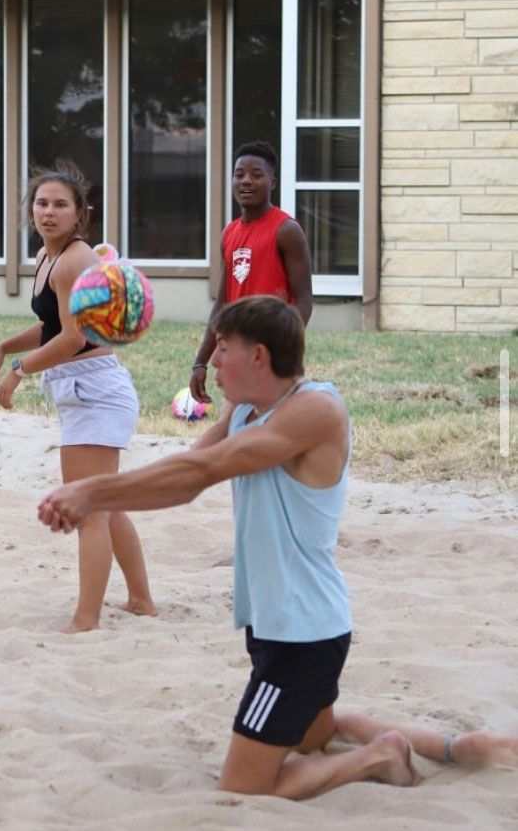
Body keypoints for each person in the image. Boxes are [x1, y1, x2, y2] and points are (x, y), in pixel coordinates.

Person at [39, 295, 515, 800]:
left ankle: (380, 755)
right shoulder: (247, 409)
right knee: (316, 732)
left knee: (243, 785)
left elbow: (203, 470)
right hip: (278, 621)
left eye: (223, 349)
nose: (213, 361)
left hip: (300, 634)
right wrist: (97, 499)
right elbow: (184, 478)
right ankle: (456, 746)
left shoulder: (314, 411)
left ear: (259, 357)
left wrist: (89, 492)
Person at [0, 161, 155, 633]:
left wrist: (19, 370)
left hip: (96, 389)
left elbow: (74, 339)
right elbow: (52, 326)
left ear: (80, 213)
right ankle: (141, 600)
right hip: (84, 389)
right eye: (41, 203)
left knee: (87, 508)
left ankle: (86, 620)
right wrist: (5, 346)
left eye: (61, 204)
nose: (49, 212)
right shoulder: (46, 257)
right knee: (105, 502)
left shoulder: (76, 259)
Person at [188, 142, 313, 406]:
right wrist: (200, 361)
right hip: (238, 355)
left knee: (273, 429)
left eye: (256, 175)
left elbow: (303, 300)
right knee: (238, 427)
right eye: (239, 174)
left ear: (272, 182)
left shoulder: (286, 230)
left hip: (271, 357)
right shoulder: (229, 233)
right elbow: (222, 304)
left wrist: (281, 351)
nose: (246, 181)